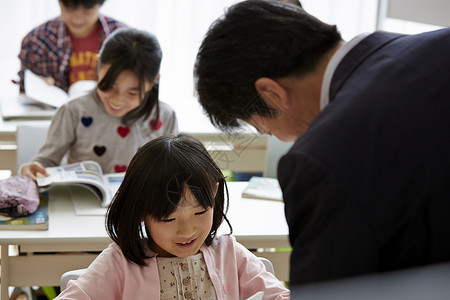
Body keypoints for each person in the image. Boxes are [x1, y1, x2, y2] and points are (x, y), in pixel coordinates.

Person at [194, 0, 450, 287]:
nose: (278, 138)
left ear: (272, 94)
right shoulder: (439, 43)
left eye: (263, 128)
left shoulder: (321, 159)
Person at [55, 133, 290, 299]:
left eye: (200, 212)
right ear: (140, 211)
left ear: (214, 191)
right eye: (168, 219)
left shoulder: (230, 255)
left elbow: (280, 296)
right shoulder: (119, 263)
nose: (187, 231)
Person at [21, 27, 178, 180]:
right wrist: (33, 168)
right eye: (109, 86)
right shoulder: (73, 110)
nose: (117, 100)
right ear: (98, 66)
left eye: (132, 93)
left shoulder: (165, 116)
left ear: (153, 82)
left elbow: (171, 170)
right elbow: (46, 162)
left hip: (140, 204)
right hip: (82, 201)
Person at [17, 0, 126, 93]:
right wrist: (36, 87)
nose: (77, 18)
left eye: (87, 11)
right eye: (69, 8)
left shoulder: (123, 38)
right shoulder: (37, 40)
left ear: (100, 5)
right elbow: (23, 93)